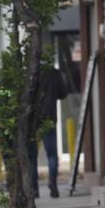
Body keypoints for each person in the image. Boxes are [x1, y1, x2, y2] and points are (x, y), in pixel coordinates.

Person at [28, 67, 68, 198]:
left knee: (32, 156)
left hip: (32, 120)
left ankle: (34, 189)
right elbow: (63, 93)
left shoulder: (28, 70)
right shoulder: (53, 73)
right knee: (52, 154)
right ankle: (53, 184)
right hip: (49, 118)